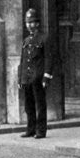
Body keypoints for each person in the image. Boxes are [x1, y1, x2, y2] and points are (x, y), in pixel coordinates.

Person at [18, 8, 54, 139]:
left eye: (32, 22)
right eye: (27, 23)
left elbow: (49, 58)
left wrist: (46, 76)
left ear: (38, 23)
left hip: (38, 77)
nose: (29, 25)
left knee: (40, 105)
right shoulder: (26, 41)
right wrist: (20, 79)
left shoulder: (44, 38)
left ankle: (41, 130)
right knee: (29, 105)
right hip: (27, 78)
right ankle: (30, 129)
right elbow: (22, 61)